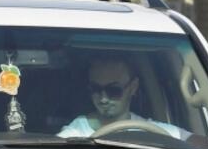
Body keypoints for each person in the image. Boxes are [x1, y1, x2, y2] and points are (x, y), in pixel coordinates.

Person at [58, 56, 191, 140]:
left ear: (133, 87)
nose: (103, 99)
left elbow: (200, 146)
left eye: (113, 90)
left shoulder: (152, 131)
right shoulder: (76, 133)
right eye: (96, 89)